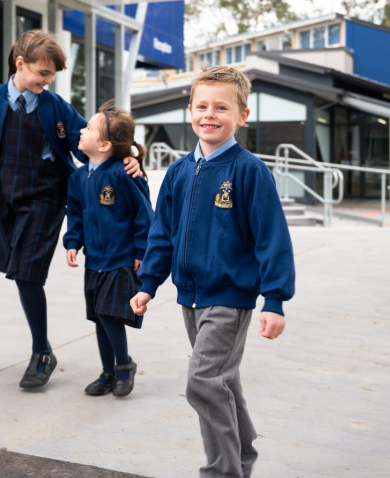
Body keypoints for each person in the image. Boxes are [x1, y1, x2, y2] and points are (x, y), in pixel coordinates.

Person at [0, 29, 140, 389]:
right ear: (20, 64)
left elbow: (97, 140)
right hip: (2, 200)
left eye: (52, 75)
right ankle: (44, 350)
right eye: (43, 73)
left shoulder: (55, 108)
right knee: (18, 271)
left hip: (46, 198)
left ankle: (41, 352)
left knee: (26, 272)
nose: (48, 80)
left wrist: (130, 159)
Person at [130, 66, 295, 478]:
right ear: (189, 111)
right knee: (222, 382)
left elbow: (271, 239)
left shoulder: (250, 171)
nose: (210, 114)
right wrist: (148, 283)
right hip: (190, 297)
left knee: (202, 381)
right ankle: (242, 456)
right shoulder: (180, 172)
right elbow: (161, 233)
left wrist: (274, 299)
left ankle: (223, 472)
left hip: (230, 297)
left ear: (242, 115)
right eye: (201, 106)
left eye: (221, 107)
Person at [64, 101, 153, 397]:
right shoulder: (78, 178)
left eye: (87, 128)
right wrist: (73, 242)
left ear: (103, 144)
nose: (80, 130)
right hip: (95, 261)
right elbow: (74, 214)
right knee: (99, 317)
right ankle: (108, 372)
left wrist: (141, 252)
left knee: (108, 313)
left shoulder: (123, 173)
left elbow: (144, 214)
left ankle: (124, 366)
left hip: (121, 259)